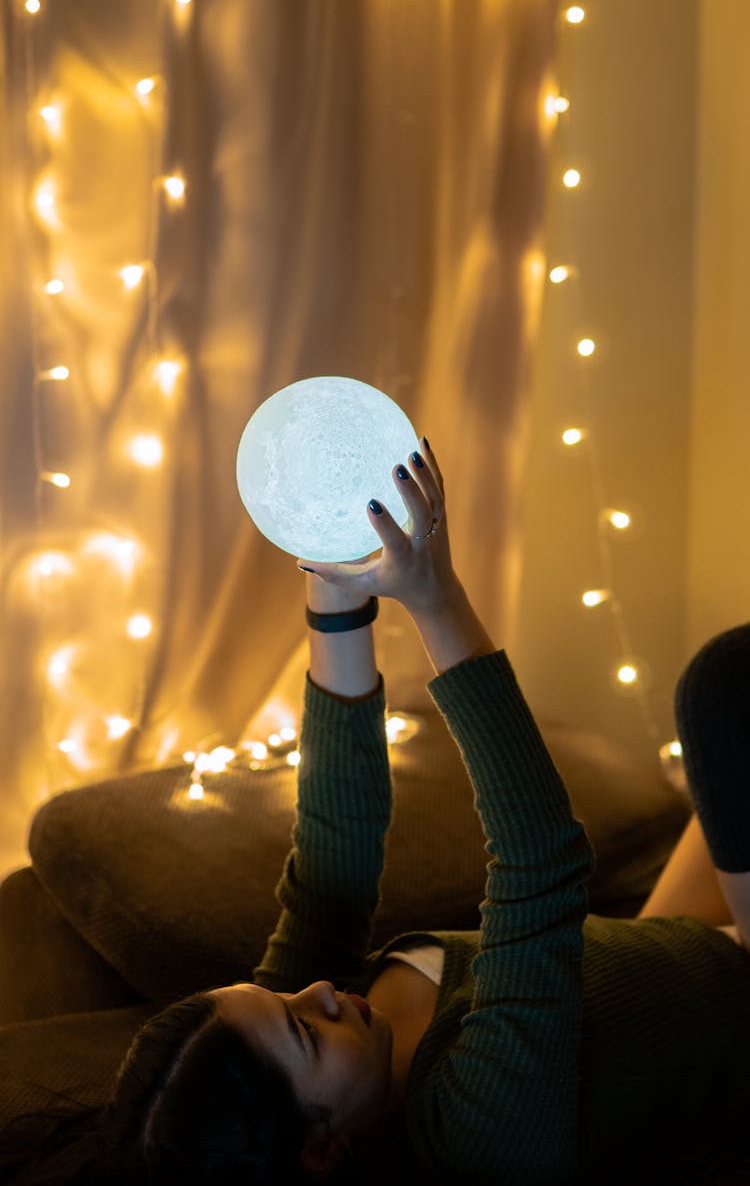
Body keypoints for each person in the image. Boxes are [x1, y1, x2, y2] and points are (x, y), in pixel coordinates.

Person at [3, 438, 750, 1185]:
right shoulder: (478, 1139)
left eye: (274, 994)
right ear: (323, 1151)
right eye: (305, 1027)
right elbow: (538, 860)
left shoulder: (326, 1019)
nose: (316, 989)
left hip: (666, 945)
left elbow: (336, 850)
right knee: (726, 692)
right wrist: (434, 595)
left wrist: (337, 589)